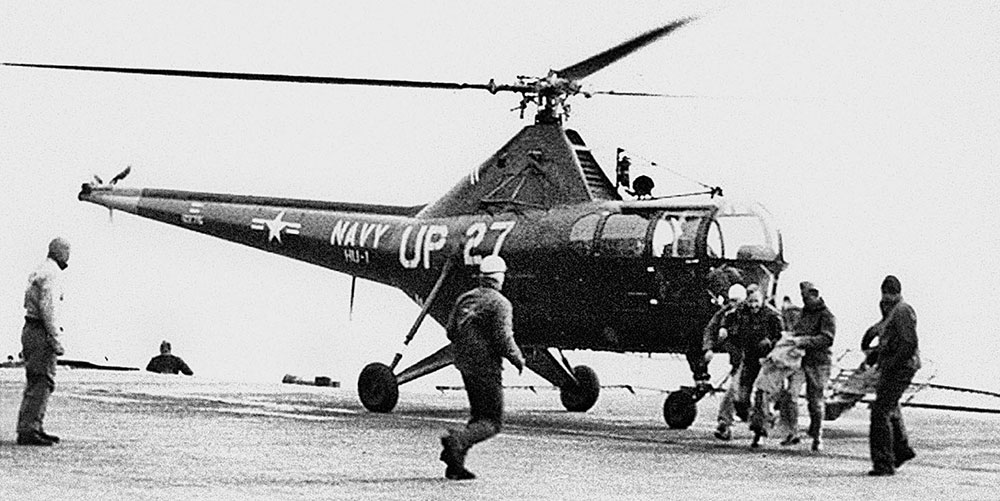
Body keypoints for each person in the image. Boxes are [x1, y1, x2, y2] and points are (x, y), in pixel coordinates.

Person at [439, 255, 525, 480]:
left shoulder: (466, 298)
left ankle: (455, 465)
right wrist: (518, 359)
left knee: (478, 416)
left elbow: (450, 330)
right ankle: (457, 441)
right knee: (491, 422)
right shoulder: (500, 303)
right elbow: (504, 339)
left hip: (464, 364)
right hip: (486, 367)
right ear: (500, 278)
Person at [16, 237, 70, 446]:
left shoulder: (40, 270)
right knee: (42, 380)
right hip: (40, 331)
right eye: (66, 252)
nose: (68, 257)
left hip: (30, 328)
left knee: (35, 380)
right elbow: (49, 309)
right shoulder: (53, 274)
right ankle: (29, 429)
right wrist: (56, 339)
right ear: (58, 252)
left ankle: (32, 426)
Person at [713, 285, 782, 441]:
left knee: (761, 395)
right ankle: (755, 419)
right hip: (749, 359)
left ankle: (760, 430)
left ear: (763, 299)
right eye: (750, 302)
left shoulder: (772, 316)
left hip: (766, 362)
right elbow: (728, 316)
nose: (753, 306)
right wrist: (723, 328)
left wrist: (770, 343)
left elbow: (781, 338)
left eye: (756, 302)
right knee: (740, 398)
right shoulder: (741, 311)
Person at [867, 275, 920, 476]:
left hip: (900, 368)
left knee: (880, 411)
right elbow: (894, 341)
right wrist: (876, 355)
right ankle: (902, 450)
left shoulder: (902, 311)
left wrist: (890, 365)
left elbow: (908, 344)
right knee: (890, 407)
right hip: (897, 366)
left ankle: (884, 462)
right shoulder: (894, 311)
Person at [786, 281, 836, 451]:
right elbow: (797, 331)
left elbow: (827, 339)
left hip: (819, 362)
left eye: (806, 296)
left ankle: (817, 434)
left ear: (815, 295)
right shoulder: (803, 314)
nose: (805, 300)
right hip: (801, 361)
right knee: (791, 394)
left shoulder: (827, 315)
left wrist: (803, 341)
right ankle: (792, 432)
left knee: (815, 402)